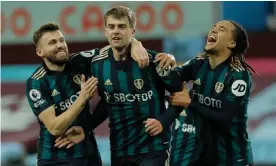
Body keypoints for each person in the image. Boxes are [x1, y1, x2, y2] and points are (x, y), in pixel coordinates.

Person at [25, 22, 154, 166]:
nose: (60, 45)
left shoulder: (79, 61)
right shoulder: (36, 83)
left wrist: (135, 43)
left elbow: (113, 49)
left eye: (62, 40)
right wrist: (82, 98)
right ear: (40, 52)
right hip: (54, 158)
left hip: (88, 155)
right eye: (52, 42)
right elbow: (55, 127)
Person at [168, 20, 256, 166]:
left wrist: (189, 102)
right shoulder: (198, 64)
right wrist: (166, 59)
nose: (213, 30)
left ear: (231, 44)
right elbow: (168, 79)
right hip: (204, 155)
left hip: (234, 157)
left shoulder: (238, 76)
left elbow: (225, 117)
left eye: (221, 29)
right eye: (213, 27)